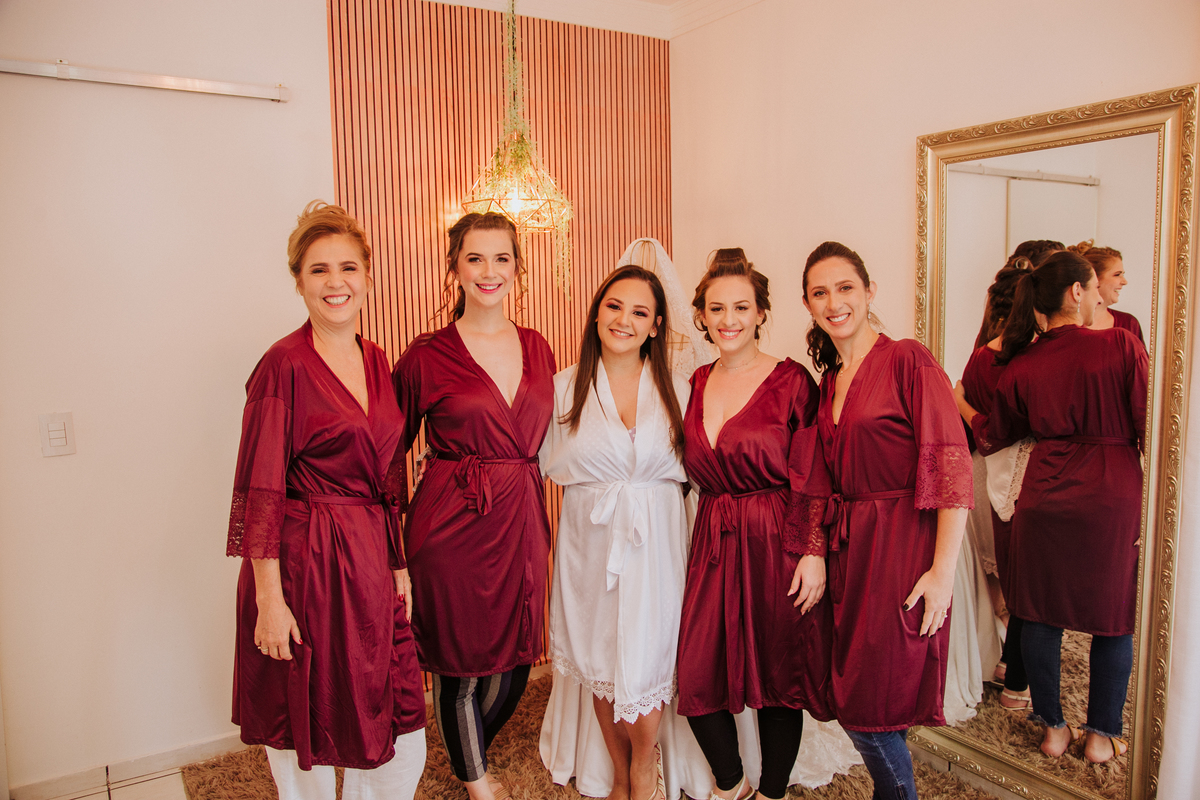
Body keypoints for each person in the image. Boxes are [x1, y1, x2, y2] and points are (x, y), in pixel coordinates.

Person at [226, 201, 426, 800]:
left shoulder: (377, 359)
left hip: (368, 559)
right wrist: (269, 600)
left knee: (389, 708)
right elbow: (259, 489)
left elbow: (387, 477)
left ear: (368, 275)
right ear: (299, 281)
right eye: (318, 270)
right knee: (304, 712)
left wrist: (397, 563)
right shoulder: (282, 365)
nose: (335, 282)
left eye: (347, 267)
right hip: (305, 563)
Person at [957, 250, 1147, 764]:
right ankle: (1102, 737)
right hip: (1111, 492)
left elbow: (993, 436)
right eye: (1094, 287)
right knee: (1113, 618)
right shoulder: (1122, 345)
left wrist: (962, 403)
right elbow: (1148, 425)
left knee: (1038, 614)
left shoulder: (1024, 362)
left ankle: (1054, 729)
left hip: (1043, 494)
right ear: (1077, 292)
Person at [391, 212, 556, 800]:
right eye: (475, 258)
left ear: (518, 268)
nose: (489, 271)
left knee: (516, 661)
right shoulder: (427, 354)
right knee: (458, 661)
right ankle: (476, 782)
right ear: (455, 268)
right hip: (450, 523)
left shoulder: (539, 347)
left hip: (521, 518)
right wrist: (390, 542)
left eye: (502, 258)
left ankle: (466, 747)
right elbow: (386, 449)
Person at [801, 241, 970, 800]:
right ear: (808, 304)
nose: (834, 303)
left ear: (870, 291)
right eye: (820, 293)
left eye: (845, 288)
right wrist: (816, 550)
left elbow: (949, 463)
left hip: (900, 545)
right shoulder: (830, 381)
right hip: (851, 550)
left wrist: (942, 572)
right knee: (868, 695)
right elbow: (821, 474)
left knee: (868, 709)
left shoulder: (907, 360)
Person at [677, 248, 834, 800]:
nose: (729, 320)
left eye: (741, 307)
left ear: (761, 312)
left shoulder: (792, 382)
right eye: (717, 308)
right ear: (702, 314)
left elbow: (815, 473)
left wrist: (813, 550)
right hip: (714, 535)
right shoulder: (696, 381)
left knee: (778, 676)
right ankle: (733, 785)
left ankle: (772, 792)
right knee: (696, 671)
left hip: (777, 537)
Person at [541, 264, 690, 800]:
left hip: (656, 543)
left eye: (639, 312)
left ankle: (644, 764)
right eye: (613, 306)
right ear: (597, 312)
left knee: (649, 656)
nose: (623, 319)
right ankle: (619, 772)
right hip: (590, 543)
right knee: (601, 654)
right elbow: (528, 458)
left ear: (655, 325)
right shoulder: (563, 388)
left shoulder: (679, 388)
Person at [960, 254, 1036, 712]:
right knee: (1023, 581)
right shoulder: (1028, 358)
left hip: (979, 471)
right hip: (1015, 473)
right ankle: (1013, 677)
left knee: (994, 577)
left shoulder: (979, 356)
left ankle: (999, 658)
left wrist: (961, 402)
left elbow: (971, 426)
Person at [1070, 240, 1145, 345]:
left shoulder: (1129, 324)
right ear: (1094, 277)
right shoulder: (1065, 325)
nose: (1124, 282)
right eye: (1117, 275)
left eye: (1123, 274)